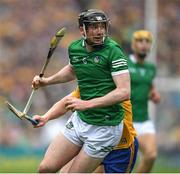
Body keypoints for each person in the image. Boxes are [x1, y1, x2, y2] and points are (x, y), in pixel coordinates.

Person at [32, 9, 131, 173]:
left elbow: (124, 92)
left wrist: (86, 104)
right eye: (94, 27)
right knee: (45, 168)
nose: (99, 31)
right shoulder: (75, 48)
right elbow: (72, 70)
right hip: (80, 121)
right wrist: (47, 82)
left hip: (105, 128)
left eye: (102, 26)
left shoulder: (114, 52)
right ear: (82, 30)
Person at [33, 86, 138, 173]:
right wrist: (46, 117)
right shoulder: (91, 81)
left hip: (120, 149)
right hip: (92, 141)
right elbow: (67, 102)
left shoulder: (117, 86)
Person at [128, 30, 161, 173]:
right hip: (125, 119)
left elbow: (149, 85)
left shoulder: (151, 68)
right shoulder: (124, 63)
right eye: (140, 41)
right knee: (114, 163)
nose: (144, 45)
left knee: (151, 155)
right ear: (134, 44)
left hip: (143, 119)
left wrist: (153, 94)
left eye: (147, 42)